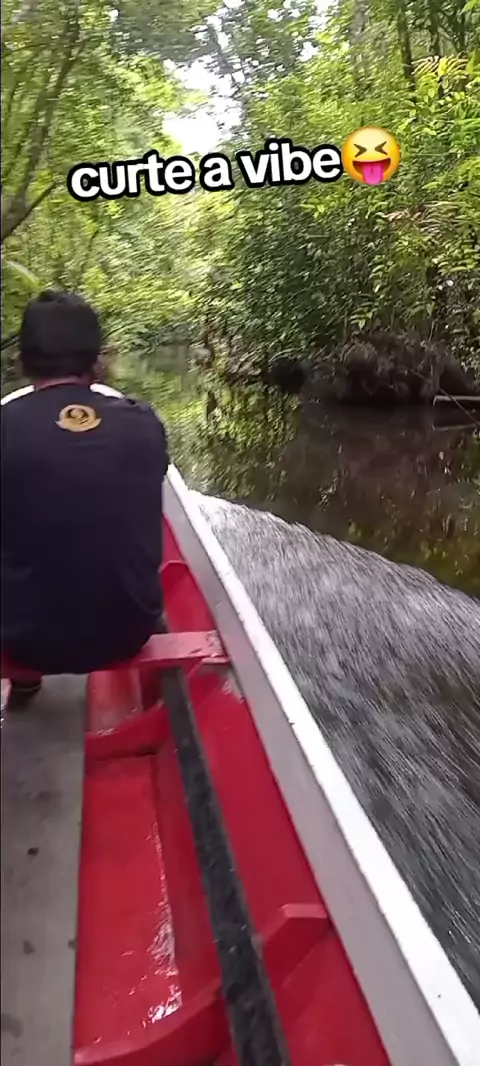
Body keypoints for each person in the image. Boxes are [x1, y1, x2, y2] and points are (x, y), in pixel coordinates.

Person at [1, 290, 169, 706]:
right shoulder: (144, 422)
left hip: (23, 641)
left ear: (20, 363)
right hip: (128, 632)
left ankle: (24, 679)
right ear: (100, 364)